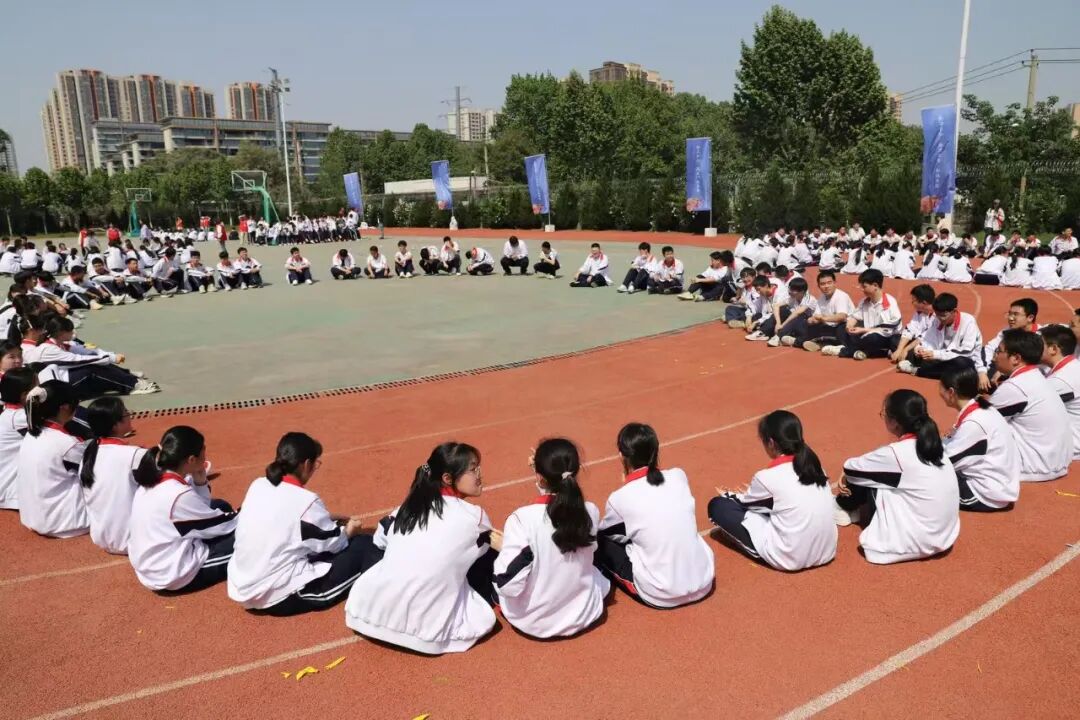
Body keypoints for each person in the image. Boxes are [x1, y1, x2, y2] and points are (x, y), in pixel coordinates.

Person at [344, 442, 499, 654]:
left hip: (362, 616)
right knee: (488, 556)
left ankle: (382, 596)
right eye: (473, 469)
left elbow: (379, 539)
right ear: (447, 478)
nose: (479, 474)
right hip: (428, 636)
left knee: (379, 548)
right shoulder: (474, 516)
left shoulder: (407, 508)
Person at [228, 432, 380, 615]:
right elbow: (335, 543)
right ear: (307, 464)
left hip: (242, 586)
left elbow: (283, 518)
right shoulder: (306, 501)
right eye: (316, 464)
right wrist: (349, 531)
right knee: (365, 545)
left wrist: (326, 518)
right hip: (276, 595)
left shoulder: (258, 484)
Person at [494, 438, 609, 638]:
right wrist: (542, 474)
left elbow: (508, 586)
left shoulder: (521, 520)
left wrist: (503, 549)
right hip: (584, 612)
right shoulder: (590, 511)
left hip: (536, 622)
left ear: (540, 478)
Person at [595, 423, 714, 607]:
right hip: (704, 581)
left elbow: (609, 534)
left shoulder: (619, 497)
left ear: (621, 456)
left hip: (660, 593)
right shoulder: (678, 476)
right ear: (656, 451)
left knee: (598, 539)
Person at [836, 389, 959, 564]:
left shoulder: (897, 453)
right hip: (944, 537)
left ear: (894, 422)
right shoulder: (934, 446)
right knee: (878, 469)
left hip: (912, 543)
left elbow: (851, 469)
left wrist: (845, 472)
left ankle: (844, 506)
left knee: (873, 475)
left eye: (884, 414)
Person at [707, 410, 836, 571]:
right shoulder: (816, 468)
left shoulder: (766, 477)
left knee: (718, 506)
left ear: (771, 443)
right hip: (826, 551)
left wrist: (729, 495)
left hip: (790, 558)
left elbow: (747, 505)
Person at [127, 426, 239, 592]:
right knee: (247, 538)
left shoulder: (152, 479)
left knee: (221, 505)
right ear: (191, 460)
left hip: (152, 564)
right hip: (173, 574)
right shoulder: (178, 494)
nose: (206, 457)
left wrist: (200, 483)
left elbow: (198, 510)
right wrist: (252, 510)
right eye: (203, 452)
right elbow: (223, 526)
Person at [988, 329, 1070, 482]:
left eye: (998, 351)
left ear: (1016, 358)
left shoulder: (1015, 387)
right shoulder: (1036, 377)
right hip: (1055, 462)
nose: (994, 356)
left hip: (1033, 466)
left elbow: (981, 424)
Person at [79, 398, 157, 554]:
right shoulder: (134, 454)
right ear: (115, 425)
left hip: (101, 538)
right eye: (126, 413)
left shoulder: (88, 455)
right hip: (135, 540)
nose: (129, 415)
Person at [938, 367, 1020, 512]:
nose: (939, 393)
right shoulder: (983, 409)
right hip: (998, 487)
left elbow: (946, 462)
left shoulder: (974, 423)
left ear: (951, 392)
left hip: (984, 494)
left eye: (941, 389)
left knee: (925, 481)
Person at [16, 380, 89, 538]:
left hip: (33, 516)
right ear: (64, 407)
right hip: (65, 523)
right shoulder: (67, 443)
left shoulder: (32, 433)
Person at [819, 269, 902, 360]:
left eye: (864, 286)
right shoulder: (864, 301)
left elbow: (888, 330)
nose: (862, 289)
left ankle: (845, 350)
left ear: (875, 286)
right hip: (865, 334)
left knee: (872, 338)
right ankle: (864, 351)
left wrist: (863, 330)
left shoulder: (889, 303)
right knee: (842, 329)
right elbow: (855, 316)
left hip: (884, 336)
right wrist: (849, 326)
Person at [897, 293, 983, 379]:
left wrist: (935, 354)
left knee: (961, 363)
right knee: (911, 352)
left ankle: (918, 371)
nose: (941, 318)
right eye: (938, 315)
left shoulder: (968, 322)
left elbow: (966, 352)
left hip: (960, 359)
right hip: (940, 357)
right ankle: (932, 369)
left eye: (944, 316)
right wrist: (921, 349)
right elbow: (928, 339)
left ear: (954, 311)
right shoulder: (937, 320)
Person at [1039, 325, 1080, 462]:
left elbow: (1028, 405)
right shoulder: (1073, 366)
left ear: (1054, 349)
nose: (1034, 349)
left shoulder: (1061, 380)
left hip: (1070, 448)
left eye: (1039, 345)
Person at [981, 298, 1041, 391]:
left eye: (1016, 314)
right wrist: (982, 372)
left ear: (1030, 318)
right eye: (1010, 314)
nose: (1010, 318)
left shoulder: (1040, 337)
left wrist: (1003, 372)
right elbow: (989, 348)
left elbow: (1036, 365)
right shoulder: (1007, 331)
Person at [0, 367, 35, 510]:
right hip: (8, 490)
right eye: (38, 387)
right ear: (25, 395)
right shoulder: (19, 418)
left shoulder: (9, 413)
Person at [799, 270, 856, 351]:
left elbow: (842, 317)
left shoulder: (841, 296)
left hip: (843, 326)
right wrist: (811, 320)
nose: (826, 286)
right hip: (829, 326)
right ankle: (818, 343)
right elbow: (816, 316)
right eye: (823, 284)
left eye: (829, 283)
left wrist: (823, 318)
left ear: (835, 283)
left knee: (841, 329)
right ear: (819, 286)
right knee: (806, 323)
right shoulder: (821, 298)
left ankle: (825, 344)